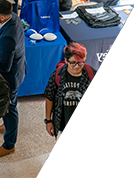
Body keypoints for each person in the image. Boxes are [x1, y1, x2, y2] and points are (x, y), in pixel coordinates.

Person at [44, 43, 105, 178]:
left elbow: (101, 92)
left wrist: (95, 103)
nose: (77, 67)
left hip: (86, 124)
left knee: (84, 152)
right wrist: (48, 120)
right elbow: (49, 97)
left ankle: (81, 175)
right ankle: (66, 175)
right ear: (65, 61)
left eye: (80, 63)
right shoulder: (57, 75)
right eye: (73, 63)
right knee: (67, 149)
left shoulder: (91, 73)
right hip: (65, 123)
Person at [0, 0, 26, 157]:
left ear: (3, 17)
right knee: (10, 104)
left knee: (10, 109)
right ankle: (6, 124)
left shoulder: (8, 38)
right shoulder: (14, 17)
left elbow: (4, 66)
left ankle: (9, 144)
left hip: (9, 78)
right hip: (17, 69)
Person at [107, 35, 134, 177]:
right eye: (133, 49)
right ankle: (124, 156)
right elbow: (117, 76)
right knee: (122, 139)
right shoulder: (128, 58)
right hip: (125, 112)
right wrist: (111, 95)